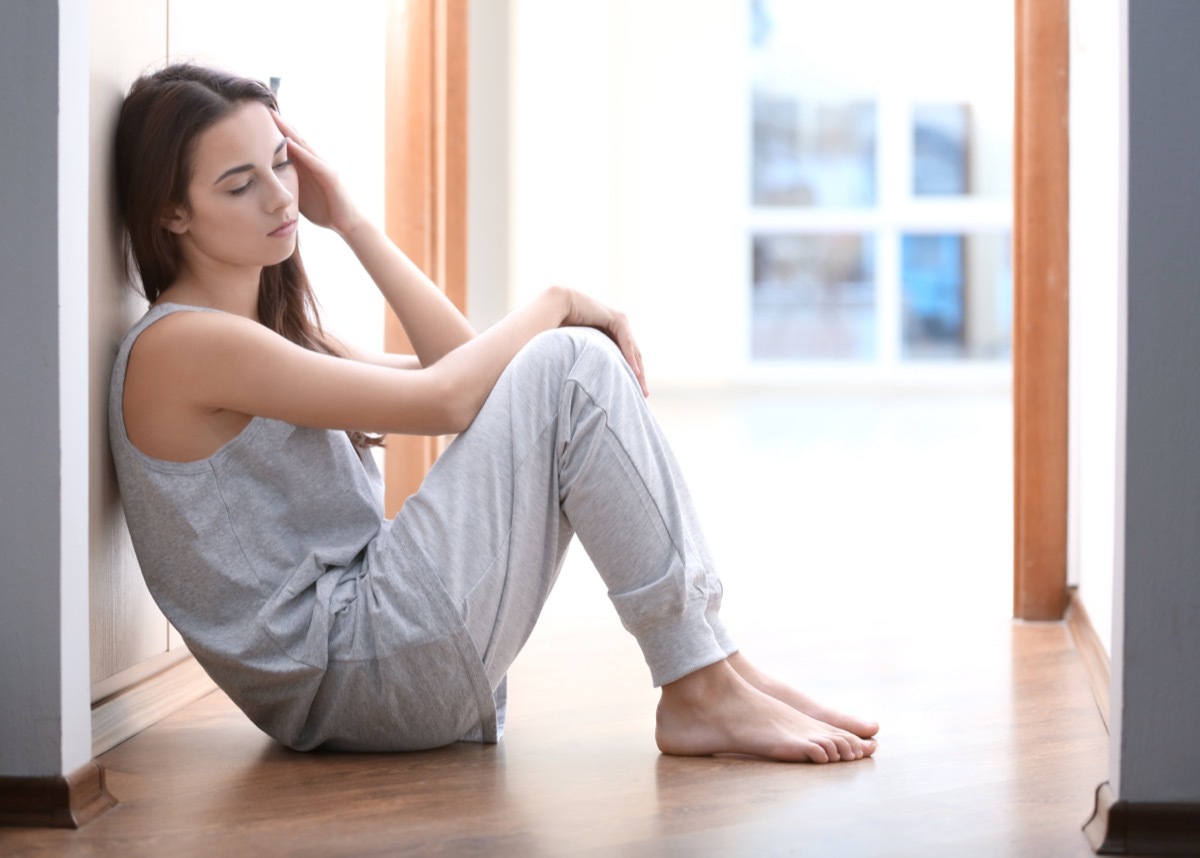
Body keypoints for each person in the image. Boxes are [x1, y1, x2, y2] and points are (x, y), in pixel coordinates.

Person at [110, 63, 878, 763]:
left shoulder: (267, 338)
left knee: (560, 365)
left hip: (371, 661)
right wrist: (556, 301)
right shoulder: (186, 346)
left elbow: (468, 376)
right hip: (355, 670)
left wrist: (348, 220)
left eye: (281, 162)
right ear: (173, 214)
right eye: (239, 184)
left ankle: (715, 664)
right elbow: (451, 397)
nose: (280, 196)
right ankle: (700, 683)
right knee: (570, 359)